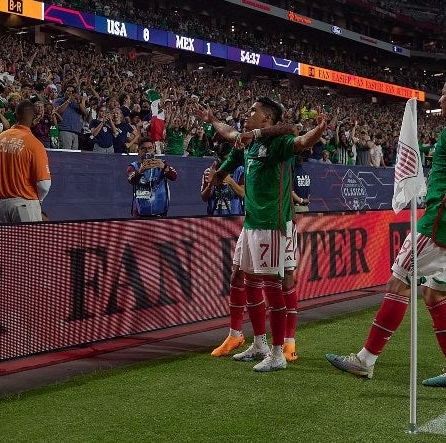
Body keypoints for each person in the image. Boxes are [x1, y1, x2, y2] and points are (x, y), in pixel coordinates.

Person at [325, 72, 446, 388]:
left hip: (438, 225)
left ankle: (364, 360)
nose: (440, 99)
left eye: (443, 94)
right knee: (434, 294)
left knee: (397, 283)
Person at [200, 98, 328, 372]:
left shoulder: (277, 144)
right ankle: (259, 343)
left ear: (267, 119)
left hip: (272, 224)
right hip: (251, 224)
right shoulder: (248, 144)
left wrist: (319, 130)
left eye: (253, 111)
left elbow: (302, 141)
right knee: (241, 275)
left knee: (273, 284)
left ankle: (279, 351)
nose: (247, 114)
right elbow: (228, 132)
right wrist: (211, 120)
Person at [0, 100, 51, 223]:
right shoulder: (34, 144)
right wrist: (39, 200)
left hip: (0, 206)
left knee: (5, 243)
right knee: (29, 243)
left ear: (15, 115)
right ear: (34, 117)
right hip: (24, 204)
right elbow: (44, 184)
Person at [127, 136, 177, 217]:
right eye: (144, 149)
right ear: (138, 151)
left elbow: (174, 177)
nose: (148, 151)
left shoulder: (163, 163)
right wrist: (140, 172)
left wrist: (164, 167)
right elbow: (130, 180)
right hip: (140, 211)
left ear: (154, 149)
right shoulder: (133, 166)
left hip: (160, 210)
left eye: (150, 148)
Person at [201, 141, 245, 216]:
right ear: (218, 157)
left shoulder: (241, 171)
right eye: (223, 160)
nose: (226, 163)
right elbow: (204, 198)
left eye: (228, 160)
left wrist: (230, 181)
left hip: (235, 217)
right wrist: (210, 185)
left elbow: (243, 194)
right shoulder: (209, 172)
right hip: (214, 217)